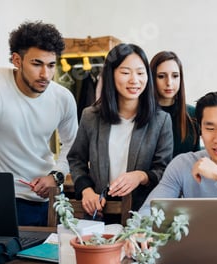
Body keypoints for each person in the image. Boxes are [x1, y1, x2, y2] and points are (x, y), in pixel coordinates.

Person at [0, 21, 78, 226]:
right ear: (17, 60)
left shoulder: (63, 98)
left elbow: (75, 147)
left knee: (52, 258)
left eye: (51, 65)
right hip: (5, 201)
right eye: (36, 64)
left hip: (51, 200)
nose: (45, 75)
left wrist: (55, 176)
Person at [67, 43, 173, 224]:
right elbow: (76, 159)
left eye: (140, 73)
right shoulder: (91, 116)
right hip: (99, 213)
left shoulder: (161, 120)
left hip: (142, 216)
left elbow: (164, 170)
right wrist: (86, 190)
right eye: (125, 73)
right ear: (111, 75)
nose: (134, 80)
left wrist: (140, 176)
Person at [150, 51, 200, 156]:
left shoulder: (192, 114)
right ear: (151, 78)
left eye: (175, 76)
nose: (169, 82)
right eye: (161, 76)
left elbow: (197, 157)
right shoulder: (142, 115)